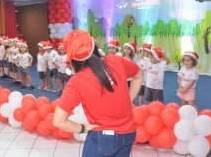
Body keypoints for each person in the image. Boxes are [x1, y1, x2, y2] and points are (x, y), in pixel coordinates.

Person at [53, 29, 144, 157]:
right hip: (129, 134)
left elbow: (58, 121)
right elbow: (139, 74)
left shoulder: (77, 81)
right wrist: (129, 99)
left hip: (102, 138)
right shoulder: (116, 60)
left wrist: (83, 128)